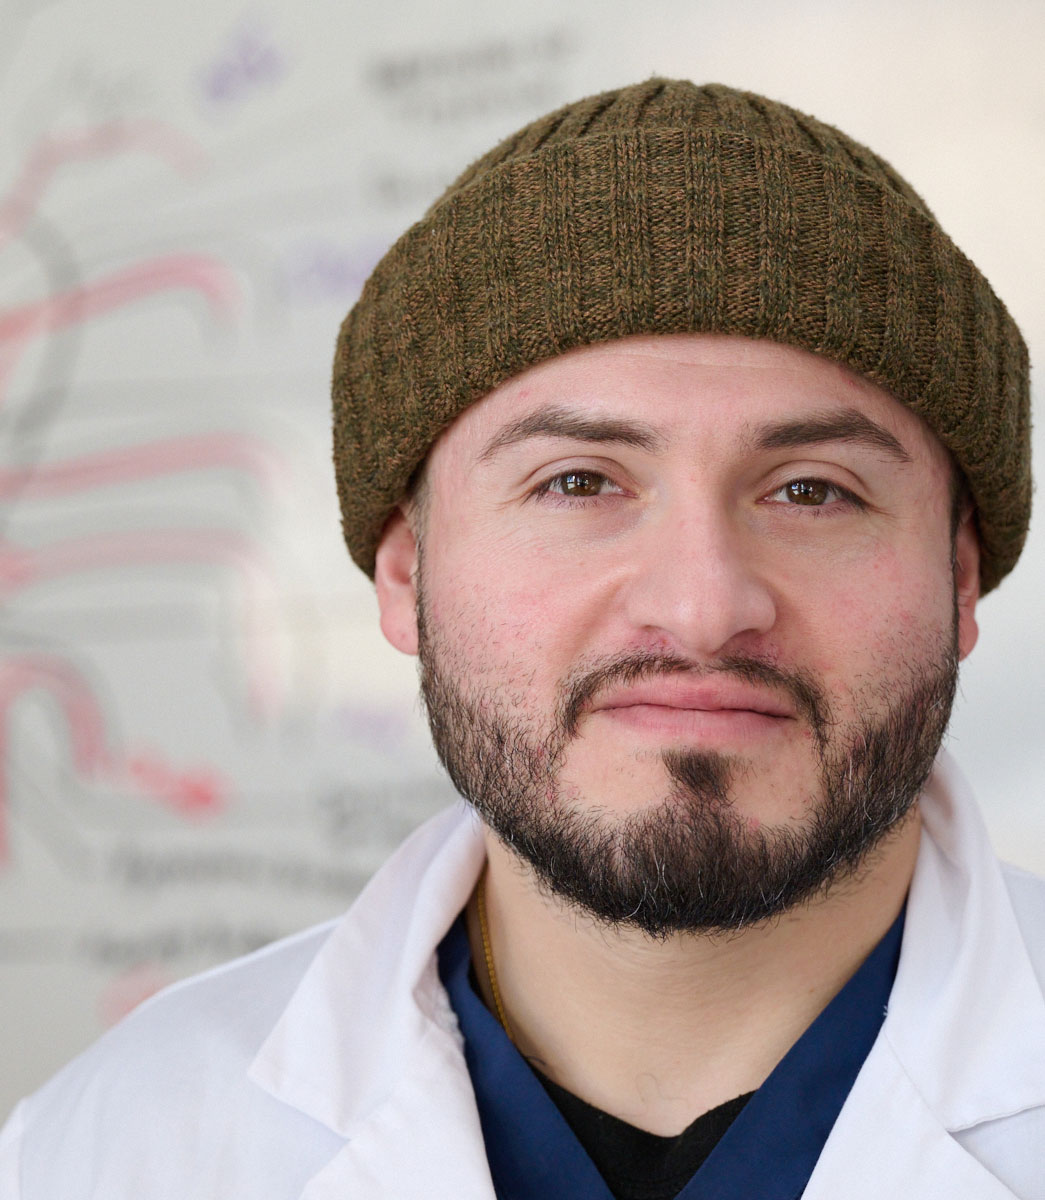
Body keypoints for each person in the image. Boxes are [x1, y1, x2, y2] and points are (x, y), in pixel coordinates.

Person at [1, 78, 1041, 1200]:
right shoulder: (114, 1148)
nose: (702, 606)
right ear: (404, 573)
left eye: (811, 491)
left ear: (959, 571)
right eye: (579, 481)